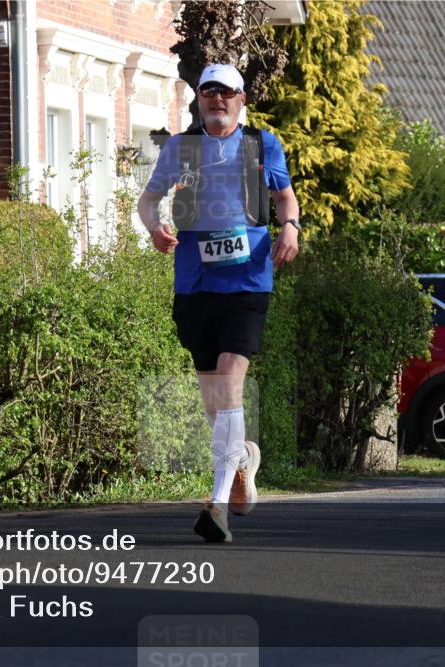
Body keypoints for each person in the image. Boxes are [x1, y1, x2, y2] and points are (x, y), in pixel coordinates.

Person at [137, 64, 300, 543]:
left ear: (241, 99)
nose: (217, 100)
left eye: (226, 93)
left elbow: (285, 198)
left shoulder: (262, 145)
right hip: (194, 284)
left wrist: (289, 228)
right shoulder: (180, 148)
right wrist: (153, 227)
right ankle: (244, 459)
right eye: (209, 92)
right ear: (199, 99)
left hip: (248, 281)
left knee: (230, 380)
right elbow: (148, 201)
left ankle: (218, 502)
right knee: (216, 401)